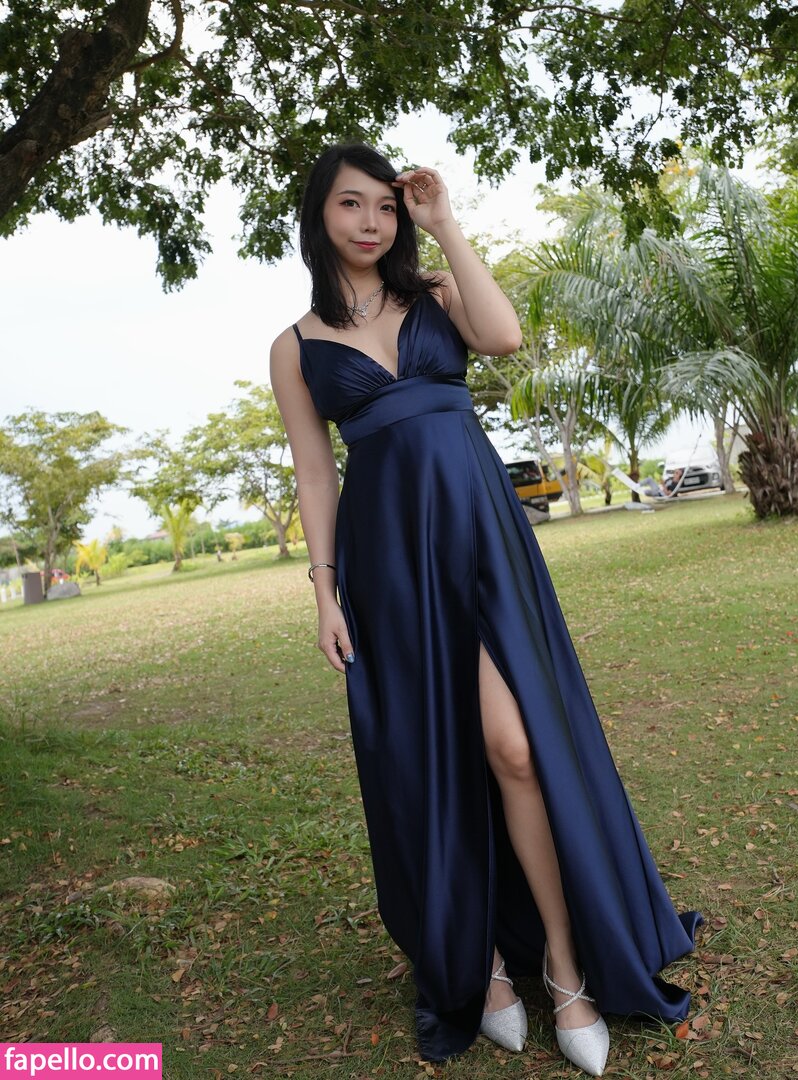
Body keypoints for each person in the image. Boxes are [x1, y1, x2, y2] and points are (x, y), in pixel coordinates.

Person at [269, 143, 702, 1074]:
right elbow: (315, 475)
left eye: (385, 205)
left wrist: (446, 225)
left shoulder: (433, 293)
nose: (371, 222)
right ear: (319, 216)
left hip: (481, 540)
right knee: (432, 761)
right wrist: (326, 592)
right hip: (388, 566)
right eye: (351, 205)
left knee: (515, 749)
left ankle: (565, 962)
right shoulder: (294, 347)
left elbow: (503, 337)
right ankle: (487, 967)